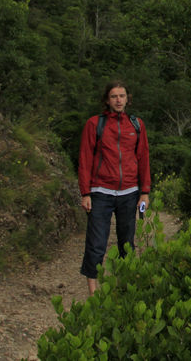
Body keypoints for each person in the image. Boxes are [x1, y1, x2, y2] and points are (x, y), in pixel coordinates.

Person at [78, 81, 151, 295]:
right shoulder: (95, 124)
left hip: (130, 193)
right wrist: (85, 193)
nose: (118, 100)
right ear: (107, 100)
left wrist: (144, 192)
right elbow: (85, 159)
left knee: (127, 243)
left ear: (128, 99)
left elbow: (143, 158)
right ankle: (93, 293)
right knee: (96, 243)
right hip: (100, 192)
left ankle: (124, 288)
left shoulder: (137, 125)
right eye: (113, 96)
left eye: (122, 96)